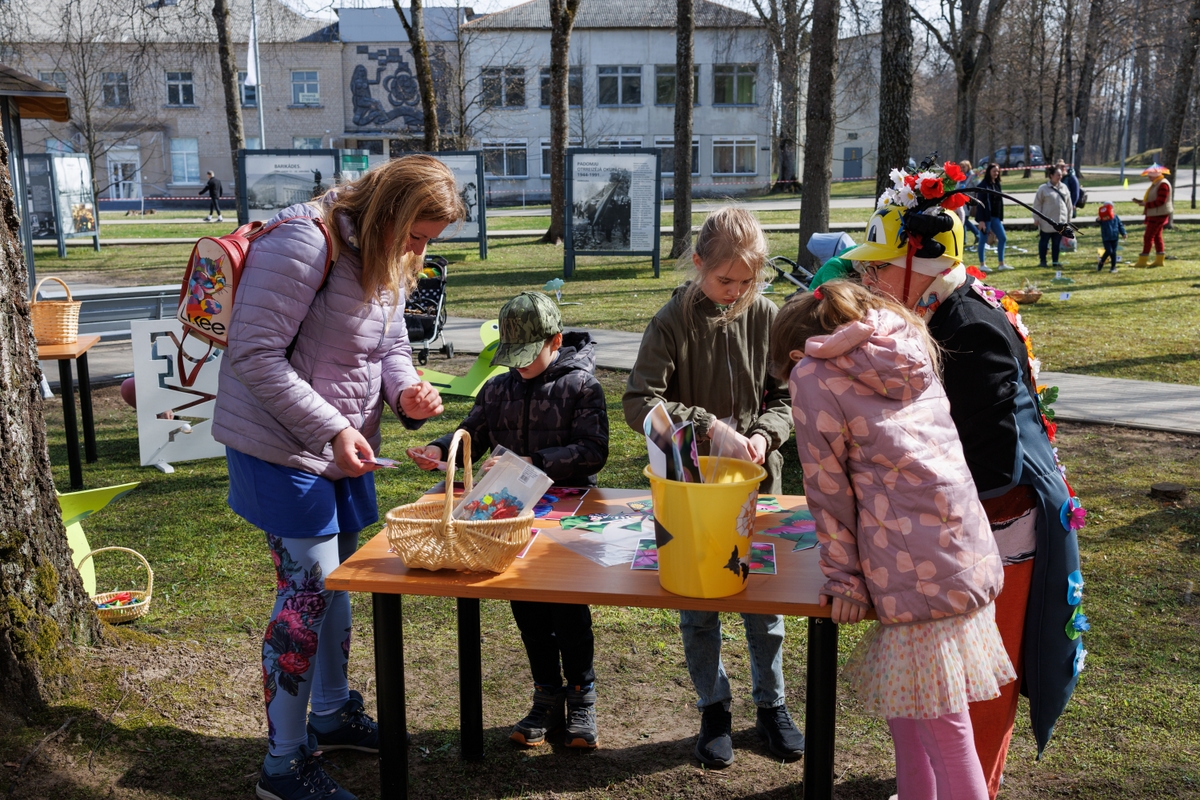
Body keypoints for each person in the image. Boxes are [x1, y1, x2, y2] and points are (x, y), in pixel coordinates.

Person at [211, 154, 464, 800]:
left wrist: (407, 393)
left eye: (428, 242)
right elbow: (255, 355)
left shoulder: (389, 252)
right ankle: (283, 764)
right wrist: (331, 429)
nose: (418, 250)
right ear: (388, 211)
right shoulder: (303, 241)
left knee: (340, 581)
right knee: (307, 590)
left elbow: (390, 346)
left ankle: (330, 712)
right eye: (415, 236)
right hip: (282, 446)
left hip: (343, 447)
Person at [838, 172, 1085, 799]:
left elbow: (994, 462)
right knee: (941, 689)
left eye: (878, 267)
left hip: (997, 538)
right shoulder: (940, 311)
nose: (867, 281)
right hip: (958, 540)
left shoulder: (967, 327)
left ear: (921, 260)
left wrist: (900, 489)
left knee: (977, 688)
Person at [770, 280, 1014, 800]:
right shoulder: (905, 343)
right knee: (911, 714)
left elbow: (827, 489)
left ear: (799, 352)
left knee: (946, 734)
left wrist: (844, 580)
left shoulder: (814, 374)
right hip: (958, 549)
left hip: (912, 568)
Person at [623, 206, 803, 769]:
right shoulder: (672, 321)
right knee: (698, 606)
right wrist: (709, 428)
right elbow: (638, 402)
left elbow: (787, 398)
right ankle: (714, 708)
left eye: (749, 282)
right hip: (691, 493)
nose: (737, 292)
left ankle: (771, 705)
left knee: (762, 606)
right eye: (726, 281)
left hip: (755, 491)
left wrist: (764, 437)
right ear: (698, 263)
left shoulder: (768, 316)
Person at [409, 291, 609, 750]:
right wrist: (441, 448)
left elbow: (593, 450)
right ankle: (546, 694)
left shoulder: (582, 387)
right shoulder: (497, 388)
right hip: (509, 521)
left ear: (555, 341)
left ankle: (581, 695)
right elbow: (473, 431)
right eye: (511, 357)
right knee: (527, 609)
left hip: (564, 517)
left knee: (568, 610)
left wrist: (534, 460)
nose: (518, 366)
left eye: (527, 356)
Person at [1032, 166, 1073, 268]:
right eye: (1058, 175)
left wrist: (1069, 218)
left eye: (1061, 174)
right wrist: (1036, 218)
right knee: (1044, 242)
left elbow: (1069, 204)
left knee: (1056, 243)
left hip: (1060, 222)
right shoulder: (1043, 189)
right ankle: (1043, 262)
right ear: (1051, 176)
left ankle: (1055, 261)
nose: (1060, 176)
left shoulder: (1064, 187)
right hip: (1047, 222)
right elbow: (1037, 204)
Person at [1133, 163, 1173, 267]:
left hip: (1159, 213)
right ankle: (1159, 260)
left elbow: (1161, 201)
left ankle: (1143, 260)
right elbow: (1154, 198)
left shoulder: (1163, 184)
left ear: (1156, 175)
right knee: (1157, 236)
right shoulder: (1157, 183)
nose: (1148, 177)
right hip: (1156, 212)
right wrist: (1142, 201)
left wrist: (1146, 204)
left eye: (1150, 175)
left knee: (1148, 236)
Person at [974, 163, 1011, 272]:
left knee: (1003, 238)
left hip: (995, 217)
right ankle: (982, 265)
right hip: (986, 218)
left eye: (997, 171)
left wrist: (1000, 217)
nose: (996, 173)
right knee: (983, 239)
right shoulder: (983, 185)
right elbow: (980, 204)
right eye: (994, 171)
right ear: (989, 171)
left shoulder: (997, 184)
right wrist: (981, 221)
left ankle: (1001, 264)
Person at [956, 159, 982, 251]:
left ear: (968, 166)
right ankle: (964, 240)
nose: (962, 169)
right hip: (960, 200)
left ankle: (977, 234)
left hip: (969, 200)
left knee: (965, 220)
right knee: (963, 219)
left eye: (964, 167)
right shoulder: (960, 176)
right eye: (961, 167)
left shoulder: (972, 176)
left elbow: (978, 186)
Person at [1096, 201, 1127, 273]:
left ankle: (1113, 267)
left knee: (1113, 252)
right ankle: (1101, 262)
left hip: (1114, 237)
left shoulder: (1115, 217)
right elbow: (1098, 221)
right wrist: (1098, 219)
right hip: (1106, 238)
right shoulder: (1103, 218)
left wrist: (1123, 233)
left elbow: (1120, 225)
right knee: (1109, 251)